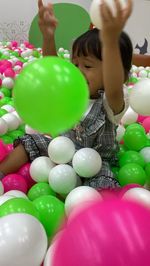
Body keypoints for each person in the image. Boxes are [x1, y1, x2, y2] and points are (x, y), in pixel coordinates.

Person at [0, 0, 133, 189]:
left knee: (104, 184)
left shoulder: (111, 101)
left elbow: (113, 85)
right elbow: (54, 70)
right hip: (59, 150)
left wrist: (110, 42)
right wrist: (48, 37)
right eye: (75, 64)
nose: (78, 71)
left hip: (94, 163)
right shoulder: (72, 90)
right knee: (30, 142)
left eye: (87, 66)